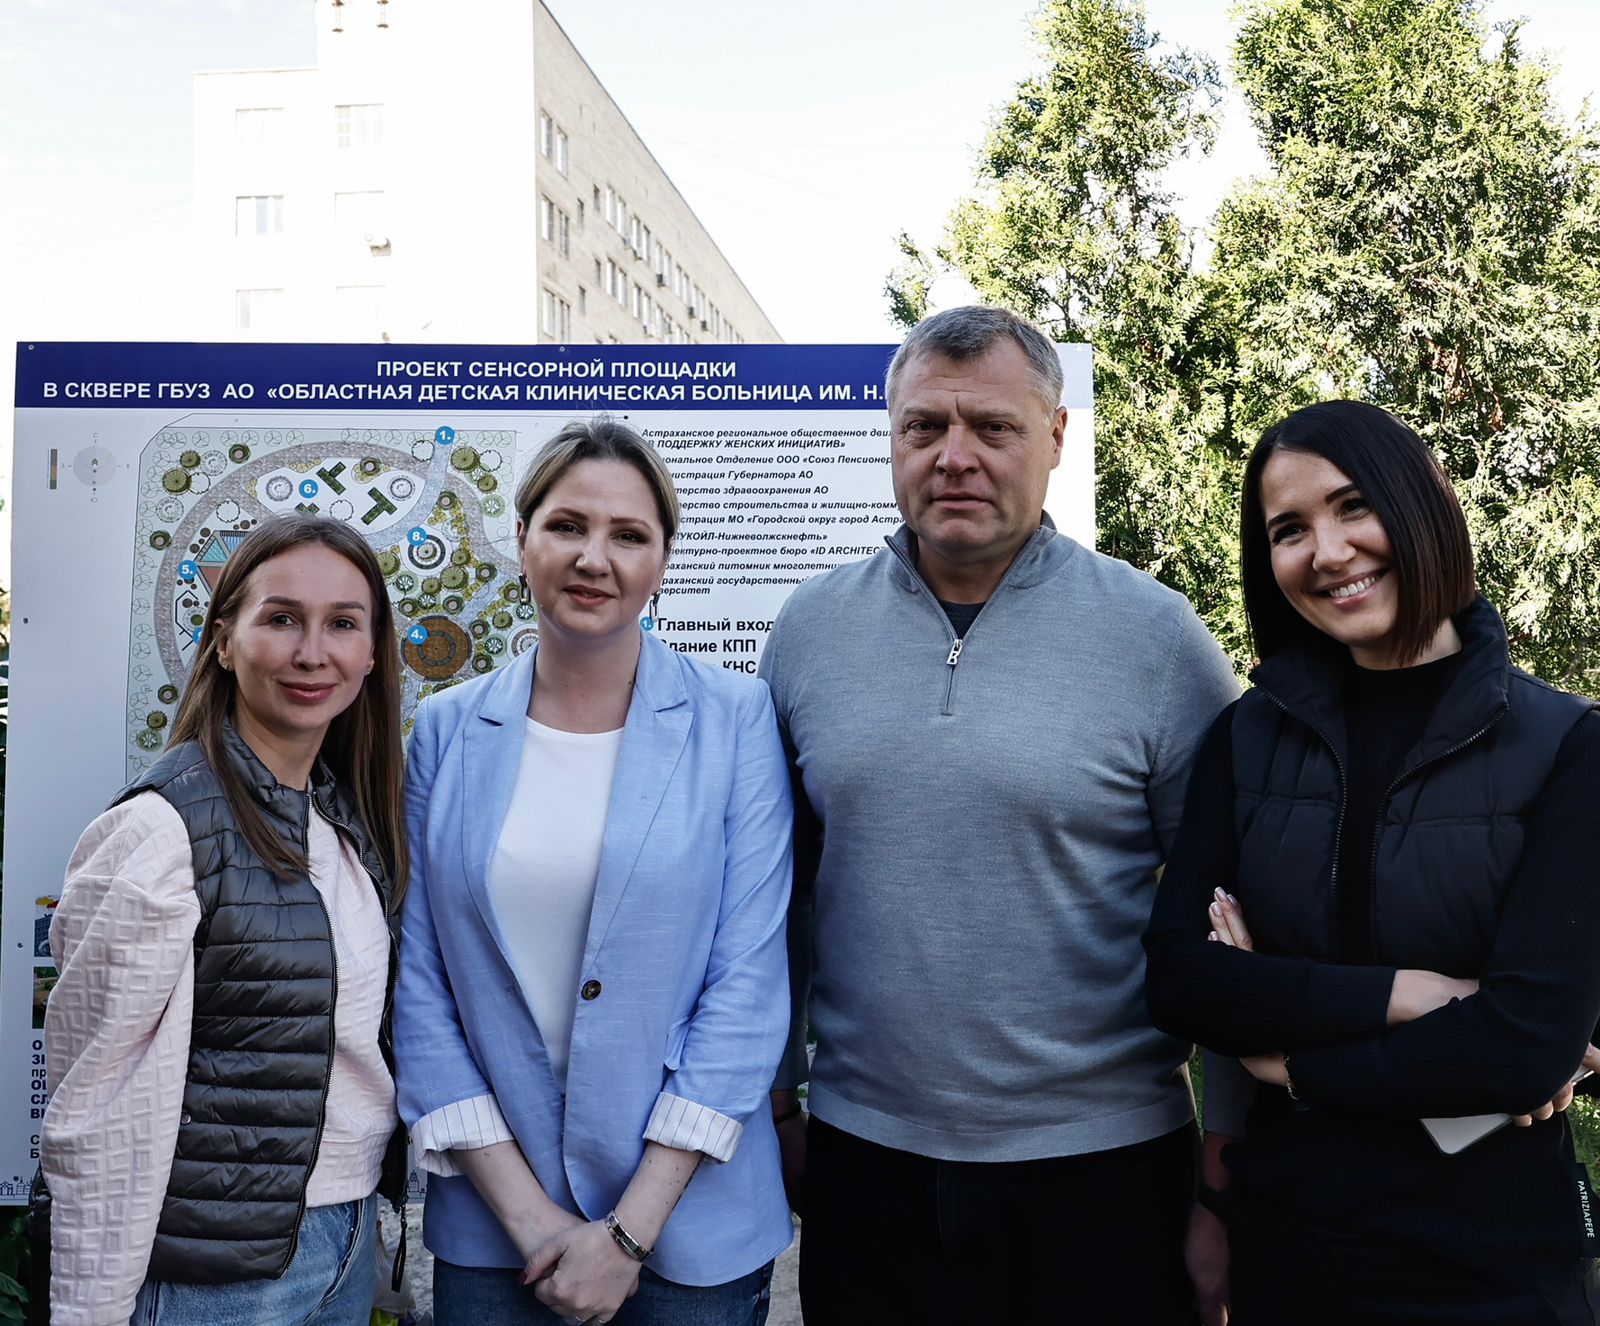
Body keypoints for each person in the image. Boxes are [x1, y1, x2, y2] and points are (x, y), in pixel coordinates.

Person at [759, 305, 1240, 1323]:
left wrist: (1221, 1185)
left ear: (1056, 437)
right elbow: (775, 898)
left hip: (1102, 1170)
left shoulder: (1156, 642)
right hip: (864, 1161)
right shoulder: (808, 633)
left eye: (993, 428)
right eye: (924, 428)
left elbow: (1229, 926)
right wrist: (777, 1098)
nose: (955, 458)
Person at [1144, 399, 1600, 1325]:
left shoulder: (1568, 744)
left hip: (1491, 1268)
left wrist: (1290, 1060)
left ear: (1422, 507)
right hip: (1291, 1252)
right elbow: (1180, 982)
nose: (1329, 550)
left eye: (1354, 506)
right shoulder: (1247, 737)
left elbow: (1525, 1047)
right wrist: (1412, 996)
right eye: (1289, 530)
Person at [396, 418, 793, 1326]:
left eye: (628, 535)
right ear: (524, 535)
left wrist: (627, 1235)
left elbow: (748, 985)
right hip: (499, 1228)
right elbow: (419, 984)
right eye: (568, 525)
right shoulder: (448, 731)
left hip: (693, 1226)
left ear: (662, 561)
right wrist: (532, 1223)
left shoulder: (735, 720)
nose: (594, 558)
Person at [43, 514, 410, 1325]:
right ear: (222, 641)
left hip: (343, 1246)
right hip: (216, 1278)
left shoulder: (346, 820)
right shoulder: (159, 832)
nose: (313, 652)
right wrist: (88, 1310)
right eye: (280, 619)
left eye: (343, 624)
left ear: (373, 651)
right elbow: (94, 1109)